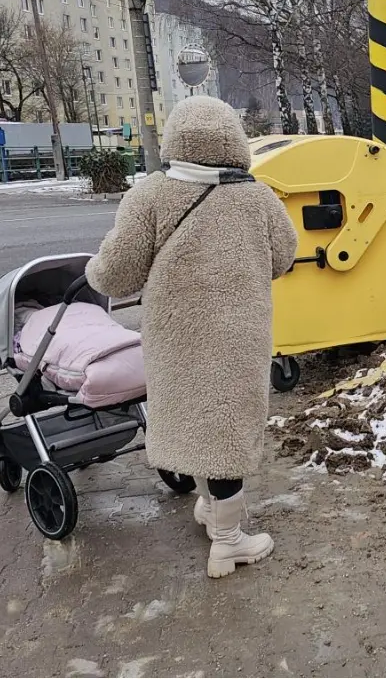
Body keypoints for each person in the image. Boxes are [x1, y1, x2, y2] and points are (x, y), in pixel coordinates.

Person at [86, 95, 298, 579]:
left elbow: (116, 274)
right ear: (233, 142)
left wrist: (94, 269)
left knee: (194, 419)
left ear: (176, 140)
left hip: (174, 334)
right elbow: (285, 256)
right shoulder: (256, 196)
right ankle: (228, 540)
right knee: (226, 424)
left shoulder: (150, 195)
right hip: (238, 334)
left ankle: (215, 516)